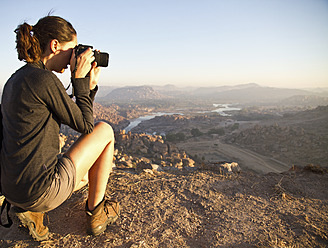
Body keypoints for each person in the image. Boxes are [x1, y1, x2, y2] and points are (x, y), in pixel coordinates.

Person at [0, 15, 119, 240]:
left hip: (12, 189)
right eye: (73, 49)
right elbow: (86, 126)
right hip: (39, 191)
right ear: (55, 45)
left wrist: (87, 87)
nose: (75, 57)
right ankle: (96, 213)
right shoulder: (44, 79)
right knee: (105, 131)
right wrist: (80, 81)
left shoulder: (15, 80)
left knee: (85, 179)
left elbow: (73, 116)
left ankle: (30, 209)